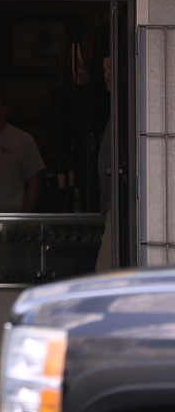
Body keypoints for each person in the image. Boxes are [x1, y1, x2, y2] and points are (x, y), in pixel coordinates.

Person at [95, 56, 113, 271]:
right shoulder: (117, 110)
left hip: (121, 204)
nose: (107, 74)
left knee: (105, 271)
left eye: (111, 68)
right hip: (113, 203)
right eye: (104, 69)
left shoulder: (128, 108)